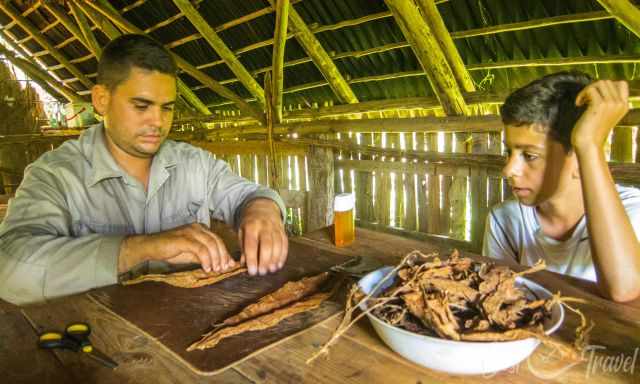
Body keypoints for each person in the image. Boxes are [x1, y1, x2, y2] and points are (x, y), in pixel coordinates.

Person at [0, 34, 288, 305]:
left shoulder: (194, 163)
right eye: (141, 106)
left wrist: (261, 208)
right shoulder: (56, 175)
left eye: (167, 108)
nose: (158, 122)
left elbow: (248, 195)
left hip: (189, 325)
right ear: (101, 100)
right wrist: (137, 249)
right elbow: (9, 269)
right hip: (97, 341)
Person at [483, 71, 640, 302]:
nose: (508, 169)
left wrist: (589, 145)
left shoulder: (633, 211)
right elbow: (495, 300)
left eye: (529, 155)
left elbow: (624, 290)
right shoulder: (505, 219)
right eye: (509, 152)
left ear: (578, 157)